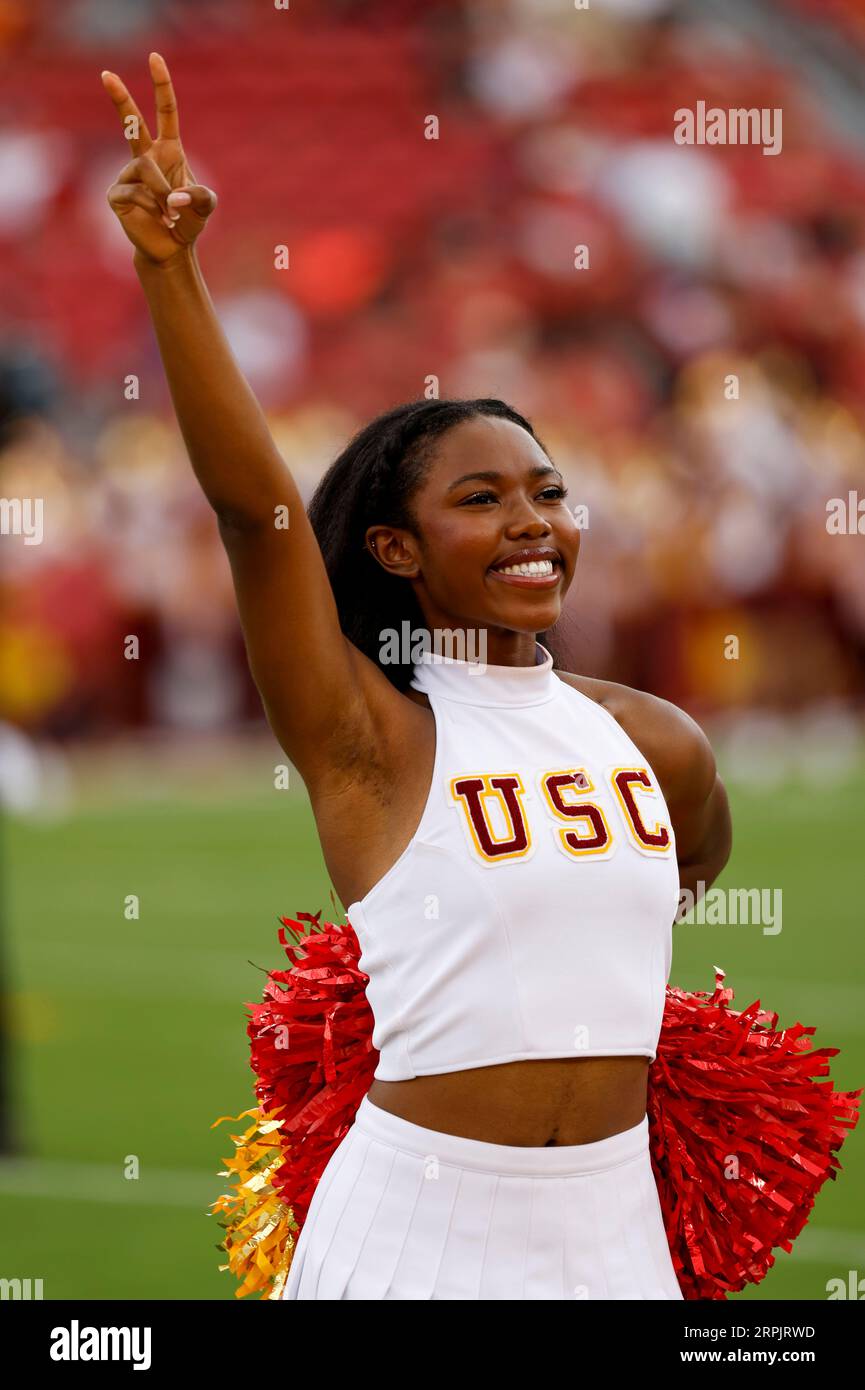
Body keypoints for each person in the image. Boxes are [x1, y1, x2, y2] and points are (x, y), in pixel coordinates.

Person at [101, 54, 736, 1300]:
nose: (532, 521)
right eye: (481, 499)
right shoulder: (368, 738)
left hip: (617, 1239)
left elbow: (689, 874)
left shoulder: (655, 743)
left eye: (548, 492)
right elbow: (255, 516)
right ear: (394, 548)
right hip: (412, 1237)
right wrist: (170, 272)